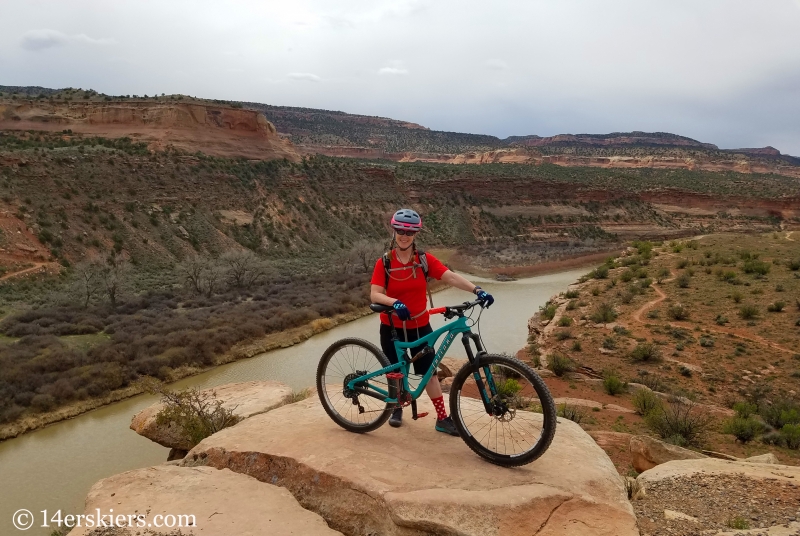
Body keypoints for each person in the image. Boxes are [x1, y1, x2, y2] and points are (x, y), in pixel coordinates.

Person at [370, 208, 494, 435]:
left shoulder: (424, 260)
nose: (404, 235)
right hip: (392, 327)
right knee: (397, 371)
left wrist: (477, 289)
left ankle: (442, 418)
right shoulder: (384, 263)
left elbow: (451, 276)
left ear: (416, 234)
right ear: (394, 232)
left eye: (409, 232)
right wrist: (394, 302)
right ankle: (396, 408)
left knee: (429, 372)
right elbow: (375, 294)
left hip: (419, 326)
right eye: (400, 230)